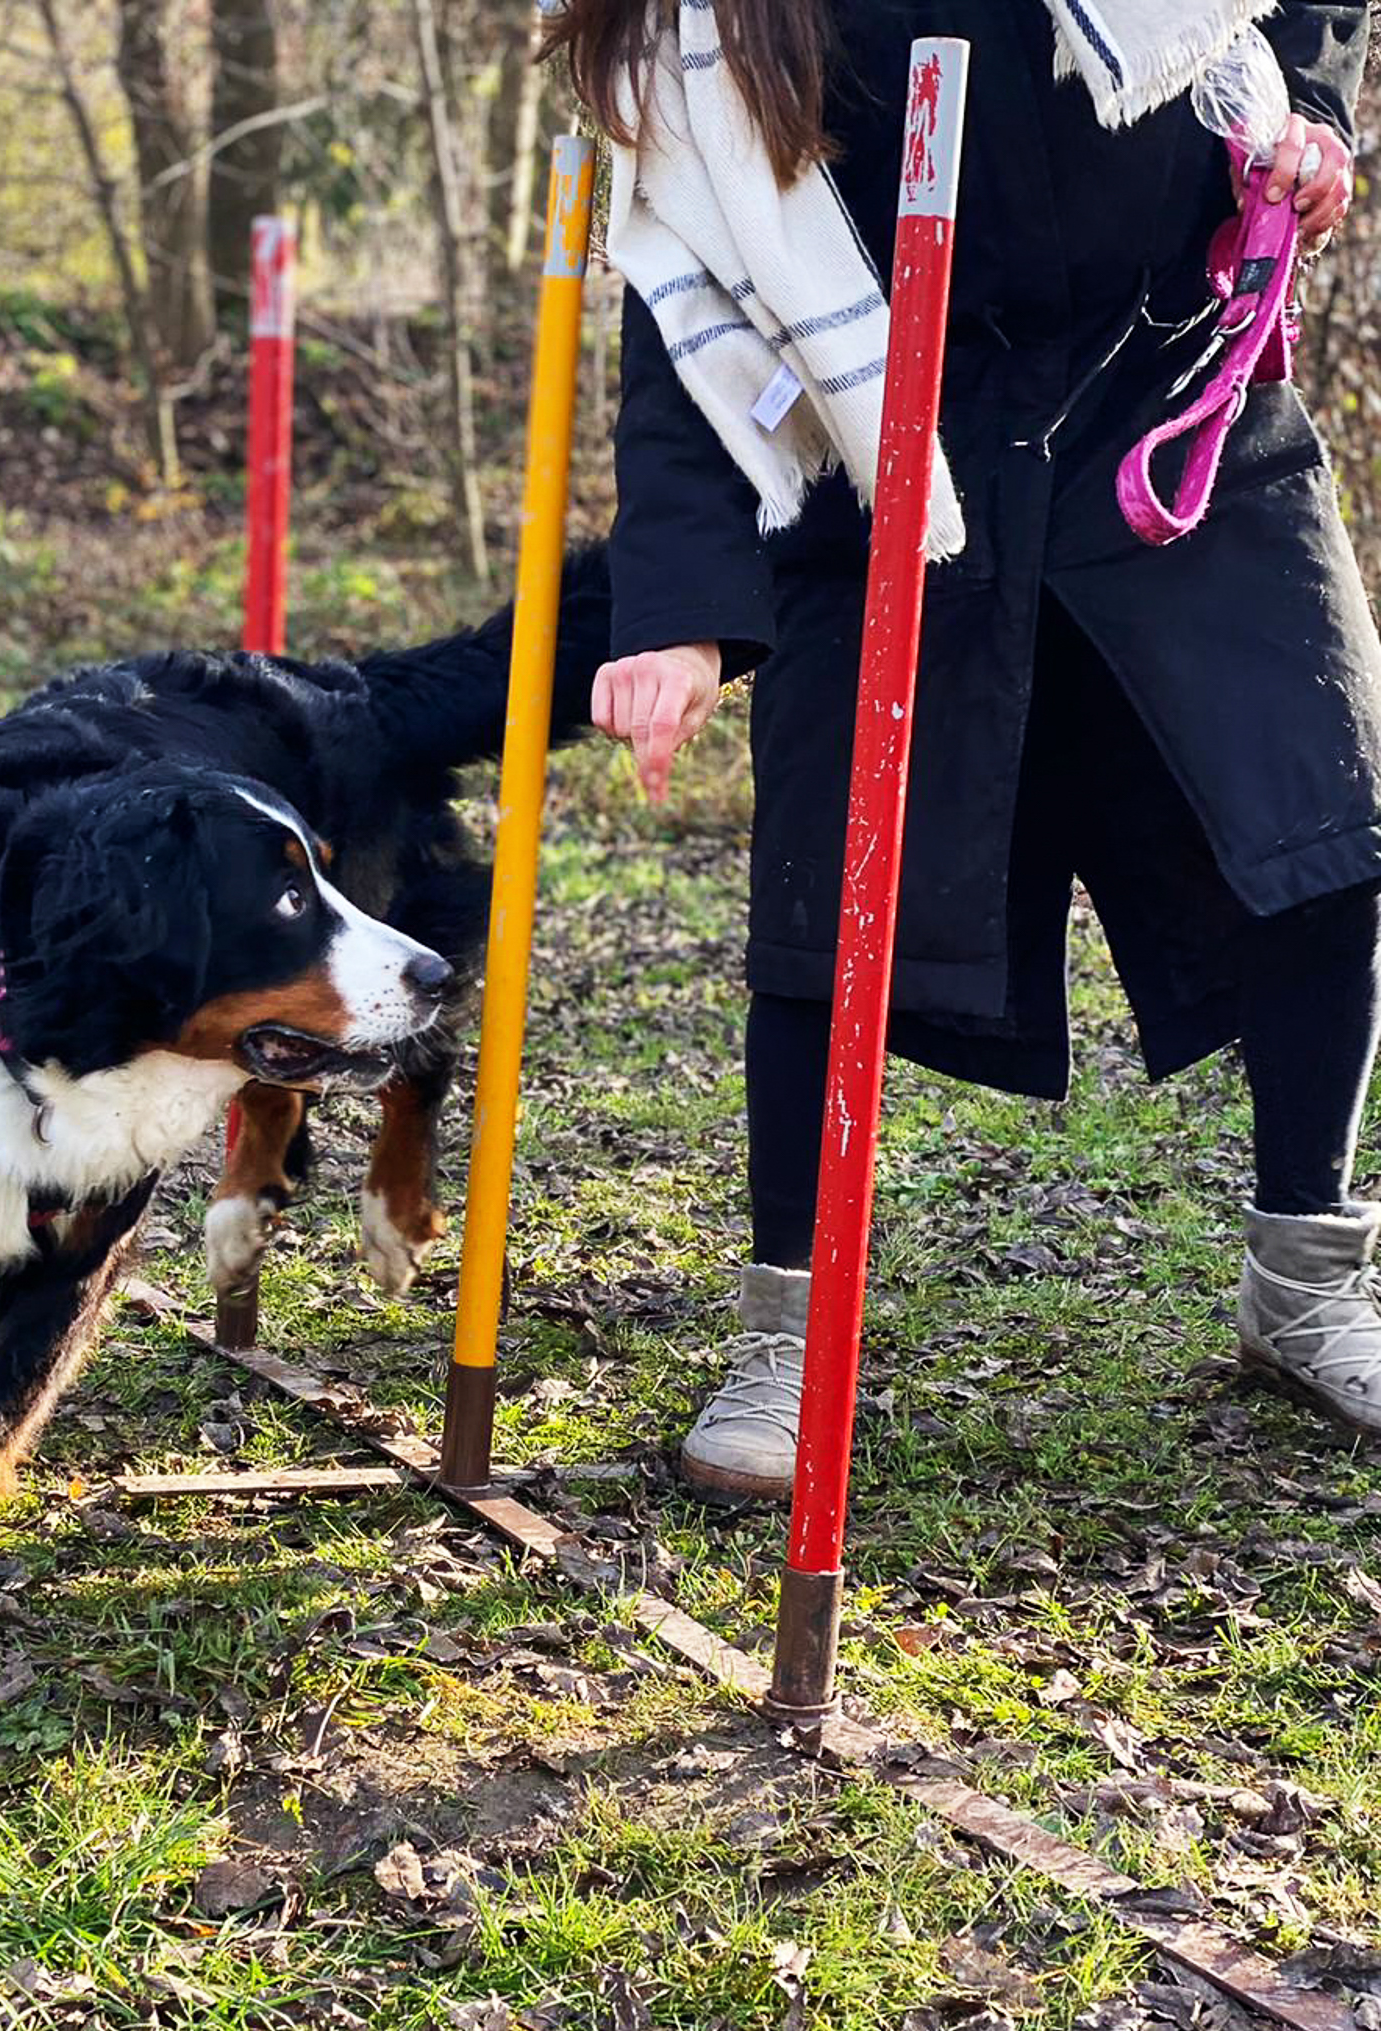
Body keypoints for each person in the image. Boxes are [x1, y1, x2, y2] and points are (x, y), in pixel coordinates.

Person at [545, 0, 1379, 1500]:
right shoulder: (705, 27)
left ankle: (1307, 1280)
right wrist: (676, 615)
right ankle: (790, 1331)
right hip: (878, 432)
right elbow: (692, 307)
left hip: (1168, 387)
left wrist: (1304, 114)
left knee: (1322, 818)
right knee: (827, 900)